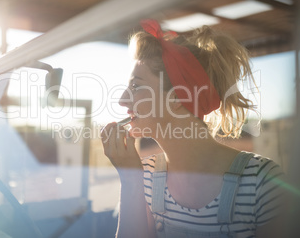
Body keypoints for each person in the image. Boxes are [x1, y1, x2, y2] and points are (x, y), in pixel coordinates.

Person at [101, 19, 285, 238]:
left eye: (136, 85)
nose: (122, 100)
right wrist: (131, 178)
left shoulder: (262, 183)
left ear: (178, 96)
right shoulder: (147, 176)